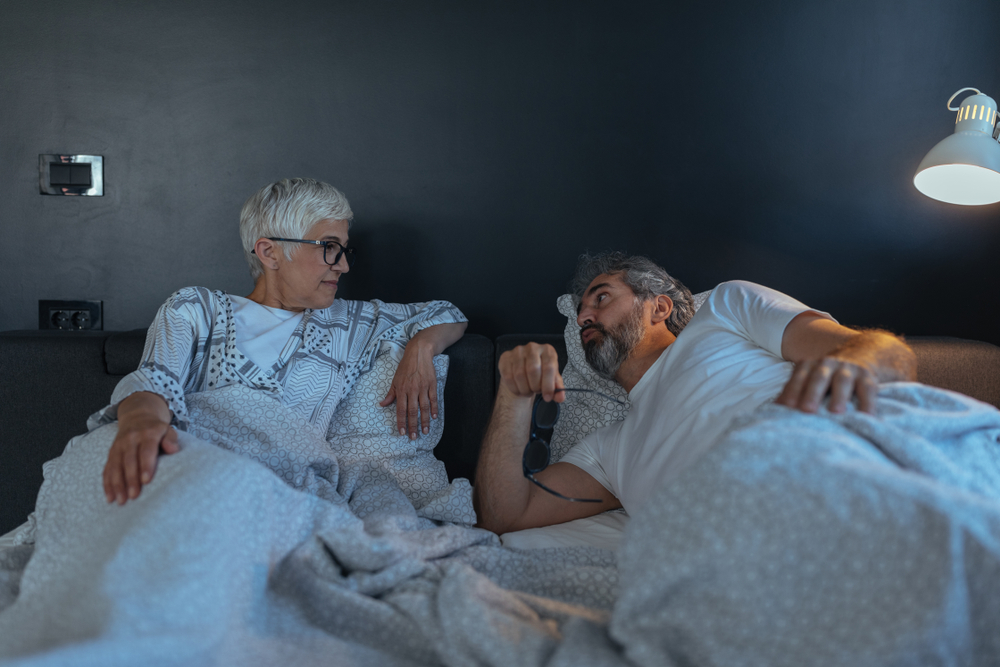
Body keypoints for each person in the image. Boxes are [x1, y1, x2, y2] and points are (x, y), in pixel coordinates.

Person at [473, 251, 916, 534]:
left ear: (659, 307)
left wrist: (850, 368)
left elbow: (887, 356)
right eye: (581, 311)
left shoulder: (726, 309)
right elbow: (505, 515)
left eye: (601, 298)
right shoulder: (609, 451)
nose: (584, 317)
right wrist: (512, 394)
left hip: (853, 480)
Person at [100, 177, 467, 506]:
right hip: (196, 475)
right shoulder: (197, 309)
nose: (343, 265)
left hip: (282, 495)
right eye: (329, 246)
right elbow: (155, 380)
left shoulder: (349, 322)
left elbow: (447, 314)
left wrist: (421, 348)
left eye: (344, 249)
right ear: (269, 252)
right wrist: (142, 420)